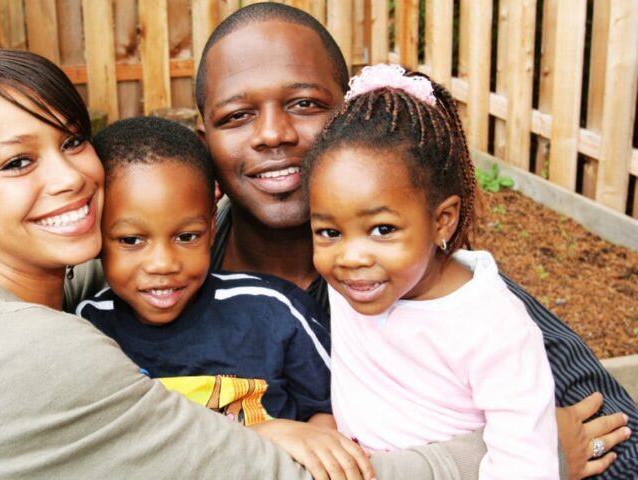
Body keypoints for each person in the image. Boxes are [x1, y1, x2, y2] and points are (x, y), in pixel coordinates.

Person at [0, 46, 504, 480]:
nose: (69, 176)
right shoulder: (35, 346)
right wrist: (499, 454)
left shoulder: (46, 299)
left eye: (72, 141)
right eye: (19, 162)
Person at [195, 2, 636, 478]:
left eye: (305, 104)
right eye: (237, 115)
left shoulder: (445, 294)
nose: (272, 134)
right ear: (205, 142)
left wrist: (552, 454)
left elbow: (608, 433)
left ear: (352, 118)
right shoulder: (161, 278)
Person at [305, 63, 559, 477]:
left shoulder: (493, 327)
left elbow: (525, 464)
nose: (350, 257)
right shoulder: (358, 282)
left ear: (442, 221)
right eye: (329, 231)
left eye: (382, 229)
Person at [76, 116, 333, 426]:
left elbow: (331, 411)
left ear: (211, 227)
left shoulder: (276, 311)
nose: (163, 264)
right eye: (131, 240)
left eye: (186, 237)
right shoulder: (86, 330)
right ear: (97, 234)